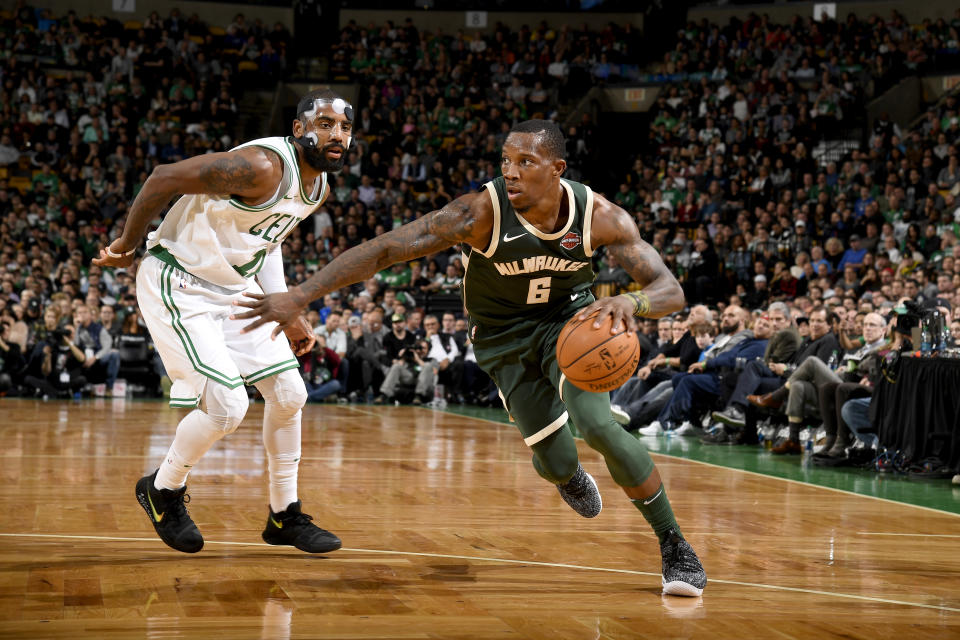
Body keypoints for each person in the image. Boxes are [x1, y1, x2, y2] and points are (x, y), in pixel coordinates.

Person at [233, 119, 707, 596]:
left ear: (557, 169)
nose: (512, 172)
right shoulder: (479, 212)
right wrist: (301, 295)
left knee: (597, 425)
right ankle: (565, 472)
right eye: (506, 161)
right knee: (558, 461)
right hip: (503, 338)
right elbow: (386, 250)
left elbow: (669, 288)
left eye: (526, 162)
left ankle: (674, 545)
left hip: (571, 325)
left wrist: (632, 302)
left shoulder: (601, 216)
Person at [91, 88, 354, 555]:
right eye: (325, 124)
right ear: (299, 130)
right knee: (229, 406)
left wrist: (286, 307)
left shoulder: (318, 186)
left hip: (235, 287)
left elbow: (267, 241)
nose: (336, 135)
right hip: (180, 279)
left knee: (291, 393)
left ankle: (284, 515)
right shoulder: (261, 166)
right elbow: (164, 176)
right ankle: (162, 489)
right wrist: (128, 245)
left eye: (345, 127)